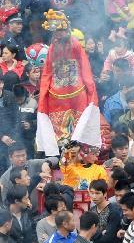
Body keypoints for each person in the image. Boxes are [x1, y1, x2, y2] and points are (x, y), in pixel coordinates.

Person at [34, 10, 102, 156]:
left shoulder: (75, 44)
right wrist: (45, 89)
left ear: (66, 30)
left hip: (77, 93)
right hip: (56, 95)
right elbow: (48, 69)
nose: (57, 34)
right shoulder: (53, 45)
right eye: (55, 32)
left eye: (60, 31)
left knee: (79, 130)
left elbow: (84, 66)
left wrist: (90, 88)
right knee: (59, 133)